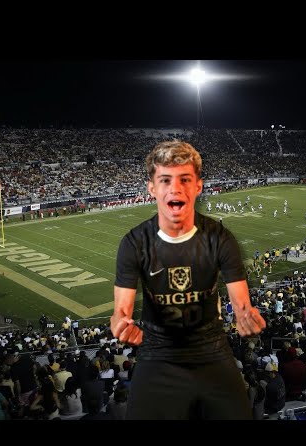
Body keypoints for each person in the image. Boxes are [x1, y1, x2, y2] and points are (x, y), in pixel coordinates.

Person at [111, 141, 266, 420]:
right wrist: (121, 323)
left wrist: (245, 315)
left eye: (185, 179)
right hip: (157, 356)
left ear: (198, 186)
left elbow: (240, 300)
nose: (175, 188)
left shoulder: (220, 238)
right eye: (165, 180)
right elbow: (121, 311)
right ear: (152, 189)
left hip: (212, 352)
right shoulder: (134, 243)